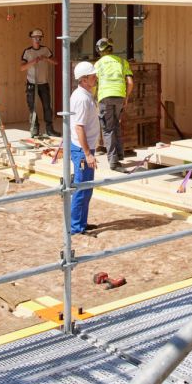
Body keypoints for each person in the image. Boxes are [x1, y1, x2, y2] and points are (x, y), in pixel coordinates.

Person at [69, 61, 101, 235]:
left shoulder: (85, 94)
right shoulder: (81, 98)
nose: (95, 77)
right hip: (83, 150)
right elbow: (79, 127)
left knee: (86, 188)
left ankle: (81, 223)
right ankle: (76, 227)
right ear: (83, 79)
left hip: (85, 148)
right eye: (92, 75)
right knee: (82, 188)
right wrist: (88, 153)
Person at [94, 37, 133, 171]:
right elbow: (130, 83)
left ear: (100, 50)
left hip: (105, 97)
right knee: (116, 124)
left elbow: (94, 83)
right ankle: (119, 155)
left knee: (108, 129)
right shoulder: (123, 62)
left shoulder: (98, 64)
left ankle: (113, 162)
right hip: (119, 97)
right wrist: (126, 97)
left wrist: (94, 99)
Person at [19, 28, 59, 138]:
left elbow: (55, 62)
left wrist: (46, 58)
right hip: (31, 83)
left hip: (44, 84)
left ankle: (50, 129)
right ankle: (34, 130)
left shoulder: (46, 50)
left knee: (47, 107)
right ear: (31, 39)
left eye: (39, 38)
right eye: (35, 37)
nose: (37, 39)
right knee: (32, 107)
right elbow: (22, 68)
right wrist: (33, 62)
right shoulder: (27, 52)